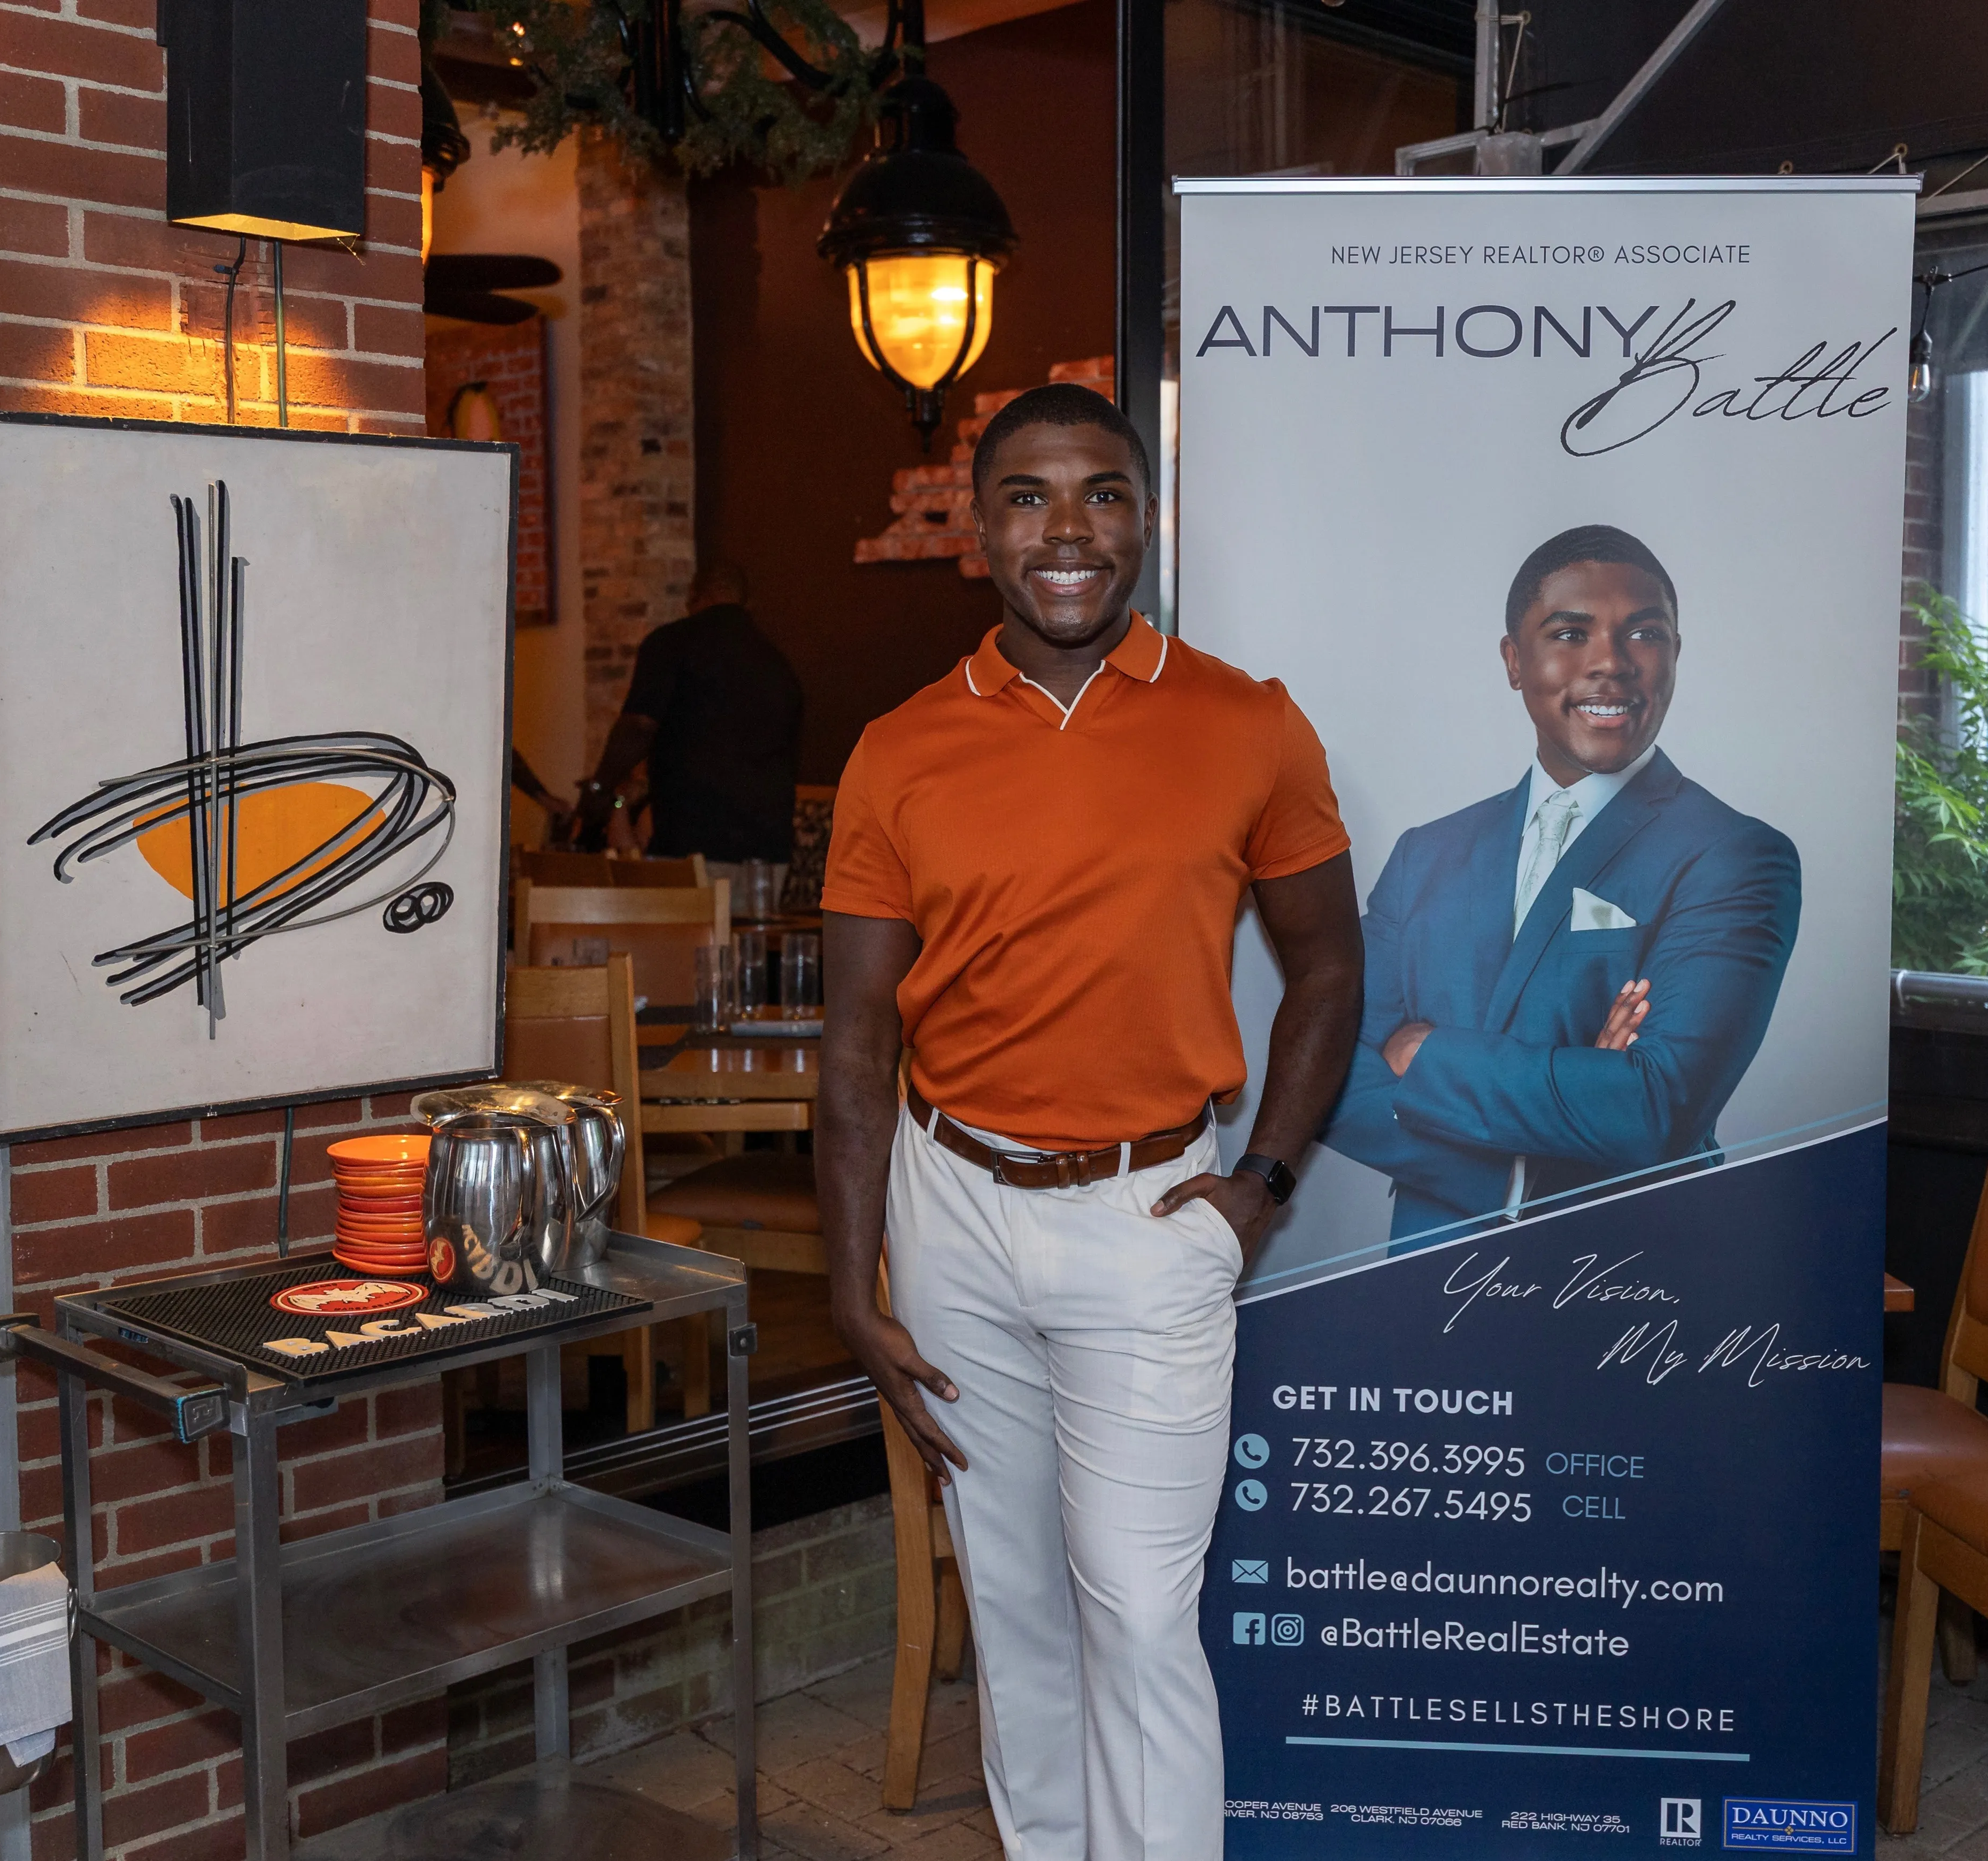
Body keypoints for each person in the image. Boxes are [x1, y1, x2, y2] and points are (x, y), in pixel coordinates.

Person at [818, 382, 1362, 1860]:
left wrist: (1260, 1185)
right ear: (976, 528)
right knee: (1015, 1603)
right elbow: (858, 1040)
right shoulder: (900, 749)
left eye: (1103, 495)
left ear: (1145, 519)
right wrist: (850, 1279)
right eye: (1029, 497)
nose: (1069, 531)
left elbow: (1328, 967)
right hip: (953, 1211)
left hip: (1152, 1217)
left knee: (1136, 1607)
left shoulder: (1247, 722)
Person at [1323, 522, 1802, 1240]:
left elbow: (1650, 1110)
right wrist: (1538, 1149)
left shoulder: (1734, 856)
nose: (1610, 663)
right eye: (1571, 634)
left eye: (1643, 634)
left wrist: (1424, 1054)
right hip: (1429, 1272)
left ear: (1675, 654)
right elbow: (1330, 1073)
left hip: (1625, 1275)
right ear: (1514, 661)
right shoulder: (1427, 855)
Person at [573, 564, 803, 887]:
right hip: (767, 851)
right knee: (744, 938)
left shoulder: (671, 644)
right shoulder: (779, 663)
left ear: (694, 597)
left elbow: (639, 726)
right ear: (746, 603)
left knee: (682, 938)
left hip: (692, 843)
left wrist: (600, 789)